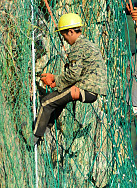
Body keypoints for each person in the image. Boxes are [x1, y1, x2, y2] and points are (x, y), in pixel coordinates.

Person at [32, 12, 106, 143]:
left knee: (46, 103)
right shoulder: (87, 44)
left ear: (71, 31)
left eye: (64, 35)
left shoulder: (78, 47)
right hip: (91, 90)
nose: (64, 39)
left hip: (85, 88)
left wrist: (56, 80)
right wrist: (56, 78)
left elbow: (74, 74)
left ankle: (34, 136)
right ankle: (46, 129)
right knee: (58, 101)